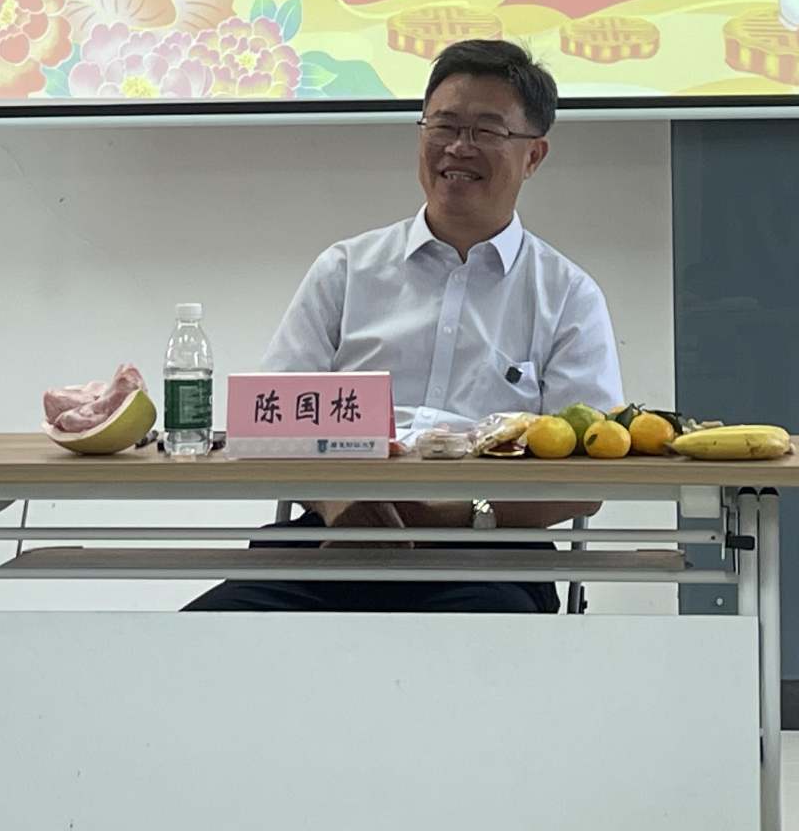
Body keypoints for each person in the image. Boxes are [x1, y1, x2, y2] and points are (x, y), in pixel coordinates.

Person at [187, 39, 623, 614]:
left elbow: (587, 483)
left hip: (490, 554)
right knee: (208, 635)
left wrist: (459, 513)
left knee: (482, 645)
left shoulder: (567, 296)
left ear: (534, 156)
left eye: (487, 130)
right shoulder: (346, 270)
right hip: (331, 538)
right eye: (443, 125)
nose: (459, 147)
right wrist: (343, 507)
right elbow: (272, 424)